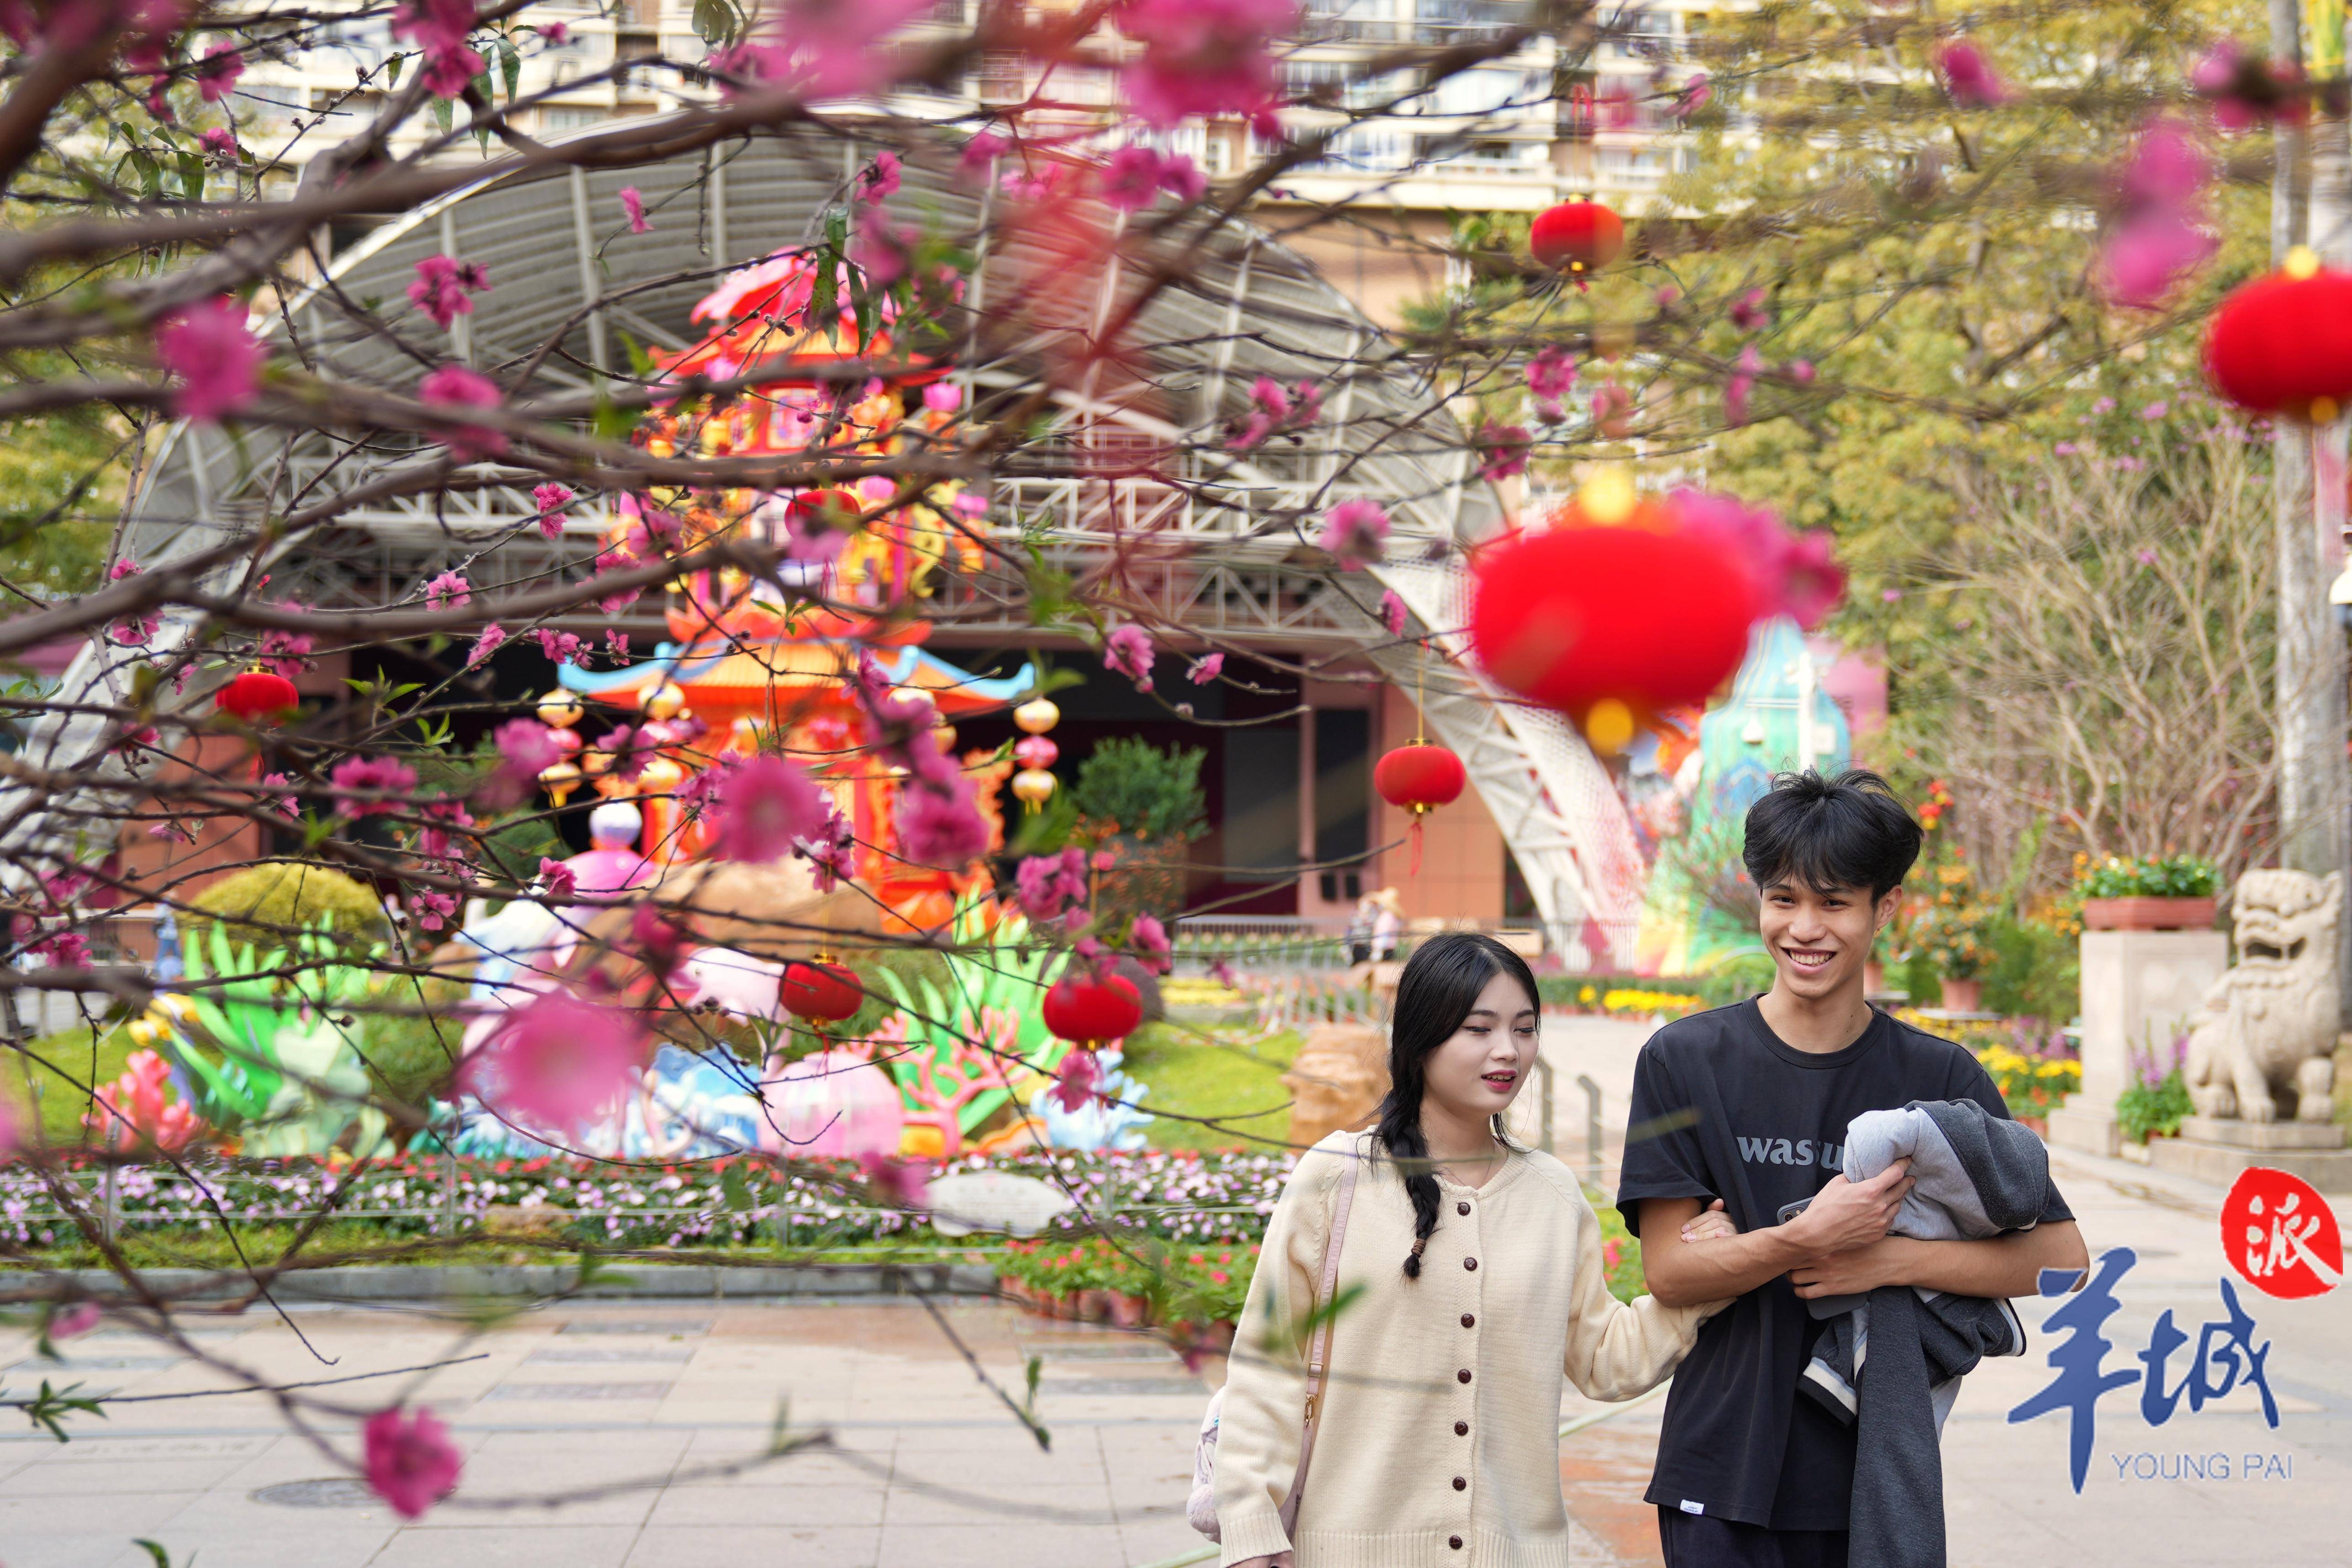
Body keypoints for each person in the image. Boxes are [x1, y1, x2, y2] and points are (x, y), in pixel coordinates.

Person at [1616, 770, 2089, 1568]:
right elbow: (1669, 1270)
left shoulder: (1939, 1075)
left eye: (1834, 902)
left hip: (1871, 1473)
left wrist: (1884, 1260)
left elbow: (2064, 1261)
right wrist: (1807, 1237)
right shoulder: (1686, 1059)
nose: (1805, 927)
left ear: (1886, 908)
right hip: (1718, 1463)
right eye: (1784, 898)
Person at [1214, 933, 1735, 1568]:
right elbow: (1268, 1364)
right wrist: (1249, 1531)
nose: (1506, 1051)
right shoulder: (1336, 1177)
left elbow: (1603, 1359)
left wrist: (1710, 1274)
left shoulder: (1551, 1193)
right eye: (1477, 1028)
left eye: (1524, 1028)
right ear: (1420, 1038)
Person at [1368, 887, 1403, 961]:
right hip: (1387, 948)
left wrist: (1379, 949)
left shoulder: (1387, 916)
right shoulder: (1390, 916)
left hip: (1384, 949)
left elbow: (1385, 933)